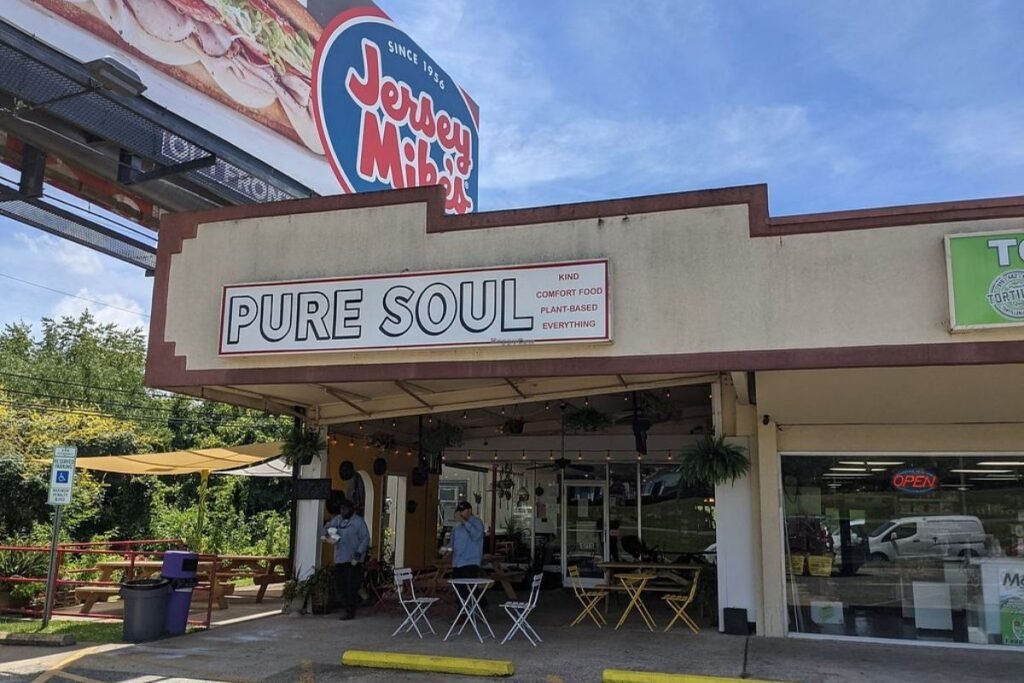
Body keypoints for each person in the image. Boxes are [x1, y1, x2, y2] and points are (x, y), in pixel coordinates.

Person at [322, 499, 369, 620]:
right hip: (340, 558)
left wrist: (359, 553)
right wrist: (328, 536)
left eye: (346, 509)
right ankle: (349, 604)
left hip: (353, 560)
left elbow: (365, 539)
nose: (343, 511)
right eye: (342, 509)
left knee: (351, 586)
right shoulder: (337, 520)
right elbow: (326, 531)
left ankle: (350, 611)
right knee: (340, 586)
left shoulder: (358, 522)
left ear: (351, 509)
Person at [451, 500, 487, 608]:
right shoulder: (457, 526)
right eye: (459, 511)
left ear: (470, 510)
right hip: (457, 562)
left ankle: (479, 605)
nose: (460, 513)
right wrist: (447, 549)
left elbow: (476, 535)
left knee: (469, 588)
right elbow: (453, 541)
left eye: (463, 510)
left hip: (470, 561)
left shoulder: (477, 523)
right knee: (459, 589)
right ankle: (462, 610)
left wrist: (464, 522)